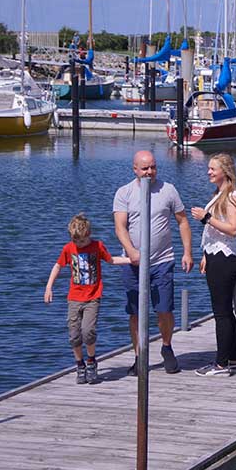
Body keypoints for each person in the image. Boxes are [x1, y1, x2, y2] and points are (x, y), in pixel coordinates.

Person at [114, 150, 193, 375]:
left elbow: (183, 221)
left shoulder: (168, 190)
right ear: (135, 169)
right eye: (145, 168)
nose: (150, 172)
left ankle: (167, 347)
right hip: (132, 262)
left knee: (164, 309)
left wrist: (187, 252)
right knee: (135, 311)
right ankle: (139, 356)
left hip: (162, 260)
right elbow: (120, 226)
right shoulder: (124, 193)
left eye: (153, 167)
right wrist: (131, 251)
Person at [44, 214, 130, 384]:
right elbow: (58, 265)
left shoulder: (97, 246)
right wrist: (49, 287)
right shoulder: (68, 249)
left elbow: (111, 260)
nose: (79, 245)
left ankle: (91, 361)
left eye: (82, 242)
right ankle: (79, 365)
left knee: (88, 332)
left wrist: (131, 260)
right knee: (74, 334)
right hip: (74, 298)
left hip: (93, 297)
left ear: (89, 235)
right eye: (76, 242)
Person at [191, 154, 236, 377]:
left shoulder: (232, 196)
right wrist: (205, 254)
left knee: (221, 313)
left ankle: (221, 364)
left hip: (225, 259)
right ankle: (233, 358)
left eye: (213, 169)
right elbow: (214, 234)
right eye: (209, 168)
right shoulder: (219, 194)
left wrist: (206, 218)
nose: (209, 172)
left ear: (225, 171)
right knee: (225, 312)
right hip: (215, 256)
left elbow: (233, 229)